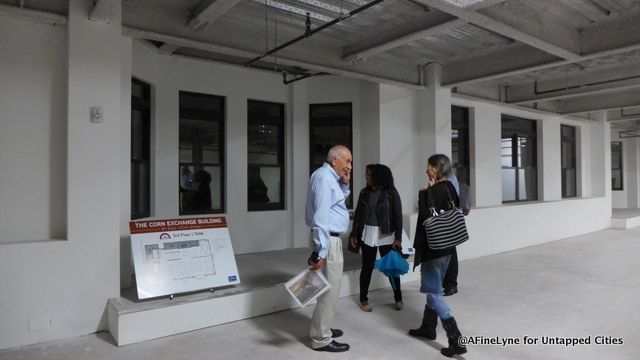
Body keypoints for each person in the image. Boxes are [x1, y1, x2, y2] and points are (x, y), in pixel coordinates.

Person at [409, 154, 467, 357]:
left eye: (429, 166)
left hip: (433, 248)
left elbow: (426, 218)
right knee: (434, 287)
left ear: (436, 168)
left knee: (433, 291)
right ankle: (428, 327)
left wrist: (425, 193)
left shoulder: (428, 193)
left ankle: (456, 339)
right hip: (448, 247)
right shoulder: (451, 187)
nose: (426, 169)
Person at [305, 145, 353, 353]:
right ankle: (321, 338)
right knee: (328, 292)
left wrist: (345, 184)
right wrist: (320, 251)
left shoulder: (329, 178)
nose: (350, 166)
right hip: (327, 242)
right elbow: (321, 217)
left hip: (330, 241)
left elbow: (336, 204)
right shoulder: (324, 178)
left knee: (329, 290)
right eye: (347, 161)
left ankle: (323, 327)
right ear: (334, 160)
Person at [350, 164, 404, 312]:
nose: (366, 177)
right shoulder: (364, 193)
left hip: (386, 234)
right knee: (367, 267)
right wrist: (355, 233)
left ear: (378, 176)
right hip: (368, 233)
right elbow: (359, 215)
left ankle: (398, 298)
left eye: (369, 175)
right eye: (366, 174)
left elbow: (397, 216)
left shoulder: (391, 193)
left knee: (391, 267)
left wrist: (398, 237)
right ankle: (363, 298)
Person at [442, 174, 470, 296]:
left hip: (447, 219)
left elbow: (450, 200)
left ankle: (451, 284)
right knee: (447, 252)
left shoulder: (449, 180)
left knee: (450, 252)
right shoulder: (448, 179)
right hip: (446, 219)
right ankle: (448, 283)